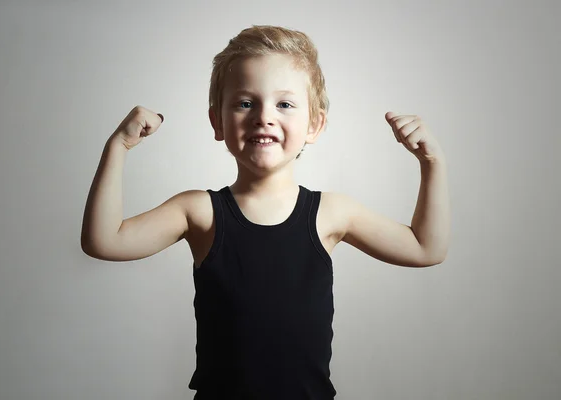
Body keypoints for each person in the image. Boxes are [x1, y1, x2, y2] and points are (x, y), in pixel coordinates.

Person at [80, 25, 450, 400]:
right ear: (217, 122)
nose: (263, 117)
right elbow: (103, 241)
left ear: (314, 124)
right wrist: (119, 146)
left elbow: (425, 248)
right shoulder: (199, 211)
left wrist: (431, 162)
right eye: (245, 103)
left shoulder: (332, 213)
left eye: (284, 104)